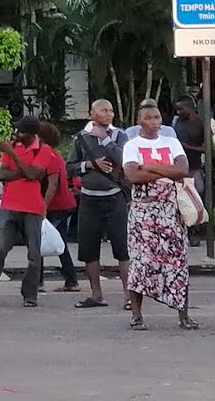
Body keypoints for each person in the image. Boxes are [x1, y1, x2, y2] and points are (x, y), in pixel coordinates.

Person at [121, 105, 195, 331]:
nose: (154, 121)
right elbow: (133, 175)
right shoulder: (132, 145)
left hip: (170, 212)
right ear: (139, 121)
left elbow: (182, 169)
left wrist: (152, 167)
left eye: (157, 117)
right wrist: (167, 169)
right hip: (143, 214)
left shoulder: (171, 142)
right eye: (148, 117)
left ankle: (184, 315)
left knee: (178, 262)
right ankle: (136, 315)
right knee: (141, 264)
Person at [0, 116, 55, 308]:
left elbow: (34, 174)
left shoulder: (44, 150)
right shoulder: (15, 146)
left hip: (32, 208)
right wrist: (25, 170)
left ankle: (30, 294)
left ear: (32, 134)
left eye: (21, 132)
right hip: (9, 205)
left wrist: (14, 156)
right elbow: (1, 174)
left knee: (34, 254)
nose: (17, 134)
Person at [67, 98, 130, 309]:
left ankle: (129, 296)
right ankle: (96, 294)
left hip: (114, 197)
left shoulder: (119, 135)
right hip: (89, 198)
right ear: (92, 113)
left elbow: (123, 159)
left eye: (111, 110)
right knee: (89, 248)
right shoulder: (81, 138)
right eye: (104, 110)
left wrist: (104, 140)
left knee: (123, 247)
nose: (109, 113)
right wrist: (89, 164)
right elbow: (69, 167)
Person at [38, 120, 79, 293]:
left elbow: (52, 185)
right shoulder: (55, 154)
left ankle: (37, 281)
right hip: (65, 203)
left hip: (56, 205)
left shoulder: (48, 155)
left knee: (38, 241)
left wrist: (43, 207)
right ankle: (71, 280)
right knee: (58, 242)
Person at [171, 97, 207, 248]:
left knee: (196, 198)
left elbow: (208, 148)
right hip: (178, 168)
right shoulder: (176, 123)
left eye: (181, 109)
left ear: (190, 107)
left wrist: (186, 147)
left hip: (194, 167)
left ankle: (195, 232)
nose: (178, 112)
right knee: (179, 201)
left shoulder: (201, 124)